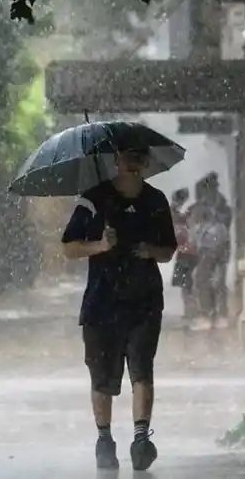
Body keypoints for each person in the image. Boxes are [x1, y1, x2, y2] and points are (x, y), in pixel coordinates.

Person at [61, 147, 178, 471]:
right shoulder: (94, 200)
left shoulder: (156, 201)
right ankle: (105, 439)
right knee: (102, 376)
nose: (133, 164)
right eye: (127, 157)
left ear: (145, 161)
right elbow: (69, 247)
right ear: (116, 160)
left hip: (144, 301)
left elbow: (169, 251)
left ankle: (141, 439)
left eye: (138, 158)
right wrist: (100, 245)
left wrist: (149, 250)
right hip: (102, 302)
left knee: (142, 368)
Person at [187, 173, 232, 331]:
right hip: (223, 244)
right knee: (218, 280)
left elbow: (195, 226)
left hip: (210, 245)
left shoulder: (204, 205)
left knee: (202, 279)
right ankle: (221, 315)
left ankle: (207, 315)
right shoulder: (222, 204)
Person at [169, 188, 198, 322]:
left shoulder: (183, 216)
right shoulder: (178, 215)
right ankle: (190, 312)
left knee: (188, 285)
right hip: (186, 253)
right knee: (187, 285)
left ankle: (191, 312)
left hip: (188, 253)